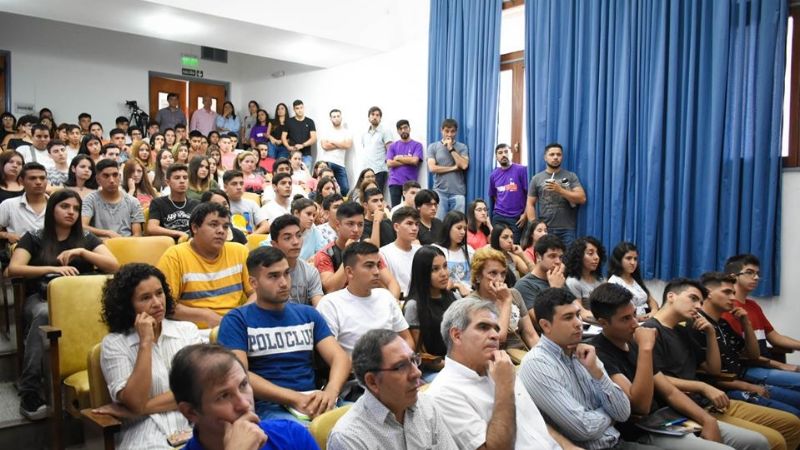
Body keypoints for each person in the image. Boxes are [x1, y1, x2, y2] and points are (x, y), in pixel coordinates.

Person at [589, 283, 765, 450]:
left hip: (668, 417)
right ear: (603, 323)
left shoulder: (632, 341)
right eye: (625, 319)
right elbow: (641, 406)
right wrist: (645, 350)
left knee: (758, 442)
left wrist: (707, 420)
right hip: (643, 429)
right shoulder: (600, 353)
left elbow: (669, 391)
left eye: (634, 314)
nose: (635, 323)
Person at [643, 278, 800, 450]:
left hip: (707, 401)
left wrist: (710, 333)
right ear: (671, 296)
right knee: (772, 440)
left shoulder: (683, 330)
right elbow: (656, 378)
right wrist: (703, 387)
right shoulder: (650, 330)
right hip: (683, 407)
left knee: (792, 423)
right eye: (693, 298)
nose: (698, 306)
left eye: (700, 302)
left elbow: (713, 369)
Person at [10, 189, 118, 420]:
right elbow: (14, 269)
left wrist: (83, 252)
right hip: (42, 298)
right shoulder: (34, 237)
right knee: (45, 314)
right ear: (52, 209)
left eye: (76, 209)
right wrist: (53, 269)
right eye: (65, 207)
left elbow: (114, 265)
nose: (71, 212)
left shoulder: (86, 238)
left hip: (81, 301)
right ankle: (29, 389)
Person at [218, 246, 350, 422]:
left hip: (314, 400)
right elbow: (239, 375)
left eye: (286, 273)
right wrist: (294, 398)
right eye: (273, 276)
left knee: (364, 423)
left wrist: (331, 391)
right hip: (269, 407)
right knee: (302, 433)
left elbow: (340, 358)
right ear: (253, 283)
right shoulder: (237, 320)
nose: (284, 282)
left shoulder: (308, 314)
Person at [426, 297, 565, 449]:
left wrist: (571, 447)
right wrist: (504, 387)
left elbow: (535, 424)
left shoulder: (500, 367)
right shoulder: (444, 393)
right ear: (457, 335)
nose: (495, 335)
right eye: (483, 327)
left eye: (496, 329)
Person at [518, 288, 648, 449]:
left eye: (578, 315)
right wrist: (610, 414)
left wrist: (596, 372)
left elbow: (623, 412)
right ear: (546, 325)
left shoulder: (585, 352)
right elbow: (584, 428)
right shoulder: (538, 364)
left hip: (617, 442)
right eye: (568, 317)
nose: (579, 323)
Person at [93, 263, 199, 449]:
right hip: (145, 433)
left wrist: (138, 410)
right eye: (145, 298)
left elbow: (200, 390)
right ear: (128, 306)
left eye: (159, 293)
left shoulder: (187, 331)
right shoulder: (115, 344)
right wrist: (145, 342)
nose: (157, 303)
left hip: (193, 424)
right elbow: (135, 401)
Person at [170, 344, 319, 450]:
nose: (244, 404)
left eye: (243, 385)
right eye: (224, 396)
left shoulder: (291, 434)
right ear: (191, 412)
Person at [328, 329, 458, 449]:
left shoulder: (426, 405)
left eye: (413, 360)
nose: (417, 373)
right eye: (401, 366)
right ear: (372, 382)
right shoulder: (349, 438)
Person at [697, 272, 800, 416]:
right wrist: (747, 386)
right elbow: (704, 375)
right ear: (708, 293)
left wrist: (746, 323)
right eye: (727, 292)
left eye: (733, 293)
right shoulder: (697, 325)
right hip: (725, 388)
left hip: (742, 377)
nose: (733, 298)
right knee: (794, 414)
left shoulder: (723, 323)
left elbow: (753, 355)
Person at [157, 202, 253, 329]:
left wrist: (237, 316)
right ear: (195, 228)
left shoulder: (240, 252)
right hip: (192, 330)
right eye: (213, 225)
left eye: (225, 226)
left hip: (236, 326)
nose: (221, 231)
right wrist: (204, 315)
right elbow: (165, 305)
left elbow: (256, 294)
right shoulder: (174, 257)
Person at [317, 241, 412, 354]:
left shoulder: (386, 296)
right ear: (350, 272)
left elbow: (407, 339)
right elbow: (334, 356)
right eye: (369, 266)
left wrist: (399, 359)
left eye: (378, 265)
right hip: (355, 365)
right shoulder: (330, 304)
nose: (377, 272)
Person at [723, 254, 800, 361]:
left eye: (757, 273)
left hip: (765, 362)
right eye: (749, 272)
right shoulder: (728, 307)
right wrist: (781, 366)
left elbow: (774, 337)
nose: (756, 277)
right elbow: (739, 352)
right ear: (733, 276)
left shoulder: (753, 305)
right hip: (750, 365)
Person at [468, 247, 539, 351]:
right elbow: (499, 339)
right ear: (478, 277)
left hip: (522, 354)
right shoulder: (472, 303)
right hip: (496, 356)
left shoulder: (514, 294)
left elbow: (530, 334)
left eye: (502, 274)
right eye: (493, 273)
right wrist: (506, 302)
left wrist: (542, 356)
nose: (499, 279)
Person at [403, 246, 455, 380]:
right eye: (435, 269)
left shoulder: (453, 297)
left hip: (456, 363)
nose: (444, 273)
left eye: (445, 266)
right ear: (422, 272)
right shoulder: (413, 306)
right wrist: (452, 367)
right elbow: (419, 354)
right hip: (431, 370)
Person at [525, 143, 586, 246]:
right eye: (552, 154)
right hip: (545, 229)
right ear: (545, 157)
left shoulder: (570, 176)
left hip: (566, 229)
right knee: (546, 255)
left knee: (568, 255)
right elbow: (530, 203)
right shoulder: (536, 178)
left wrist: (560, 190)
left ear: (562, 157)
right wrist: (534, 226)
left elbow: (582, 198)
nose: (555, 157)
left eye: (558, 154)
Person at [266, 215, 324, 306]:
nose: (296, 242)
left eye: (299, 235)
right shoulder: (265, 273)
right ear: (274, 244)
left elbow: (319, 305)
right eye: (287, 238)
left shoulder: (310, 271)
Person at [82, 159, 145, 238]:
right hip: (100, 244)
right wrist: (107, 233)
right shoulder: (90, 199)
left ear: (120, 177)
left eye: (115, 175)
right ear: (98, 179)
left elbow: (137, 235)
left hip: (126, 243)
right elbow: (82, 227)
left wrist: (121, 242)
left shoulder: (133, 202)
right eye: (106, 176)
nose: (111, 180)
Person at [514, 234, 567, 322]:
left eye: (560, 257)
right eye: (552, 256)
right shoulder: (525, 285)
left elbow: (575, 311)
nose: (558, 261)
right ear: (538, 256)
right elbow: (542, 321)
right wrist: (555, 290)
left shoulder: (559, 278)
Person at [427, 118, 469, 220]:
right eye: (447, 131)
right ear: (441, 130)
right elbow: (432, 168)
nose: (449, 134)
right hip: (439, 192)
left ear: (456, 132)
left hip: (458, 192)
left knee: (458, 223)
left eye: (452, 131)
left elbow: (464, 165)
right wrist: (454, 168)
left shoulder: (462, 147)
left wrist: (450, 148)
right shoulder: (433, 147)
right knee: (439, 223)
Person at [147, 164, 199, 241]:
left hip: (191, 244)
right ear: (168, 182)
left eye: (185, 178)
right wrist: (179, 233)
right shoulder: (158, 203)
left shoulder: (196, 204)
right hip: (168, 244)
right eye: (177, 178)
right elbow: (152, 228)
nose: (182, 181)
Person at [0, 162, 49, 244]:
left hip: (52, 249)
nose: (38, 182)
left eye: (42, 178)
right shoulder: (9, 205)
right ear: (21, 181)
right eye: (32, 178)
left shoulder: (57, 204)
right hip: (19, 248)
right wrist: (7, 235)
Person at [489, 143, 528, 243]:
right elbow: (494, 195)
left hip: (516, 218)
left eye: (506, 152)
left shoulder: (521, 170)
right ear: (496, 157)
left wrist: (525, 214)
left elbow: (529, 194)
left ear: (511, 154)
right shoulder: (493, 175)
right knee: (497, 246)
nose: (503, 155)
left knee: (513, 246)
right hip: (498, 216)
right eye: (500, 153)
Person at [608, 242, 659, 319]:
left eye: (635, 259)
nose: (633, 262)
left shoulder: (635, 278)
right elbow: (620, 313)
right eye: (628, 258)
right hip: (632, 321)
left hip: (648, 317)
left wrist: (654, 311)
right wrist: (643, 317)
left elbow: (650, 299)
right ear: (618, 260)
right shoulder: (614, 282)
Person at [378, 207, 420, 298]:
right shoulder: (383, 253)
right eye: (409, 223)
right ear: (396, 227)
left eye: (417, 224)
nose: (414, 228)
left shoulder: (420, 250)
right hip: (398, 299)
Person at [565, 236, 606, 322]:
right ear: (578, 256)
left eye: (597, 253)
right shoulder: (573, 282)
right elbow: (580, 314)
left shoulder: (600, 280)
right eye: (590, 253)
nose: (596, 257)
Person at [434, 211, 474, 296]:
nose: (463, 232)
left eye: (465, 229)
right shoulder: (436, 250)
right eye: (459, 228)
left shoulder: (469, 250)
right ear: (448, 227)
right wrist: (457, 285)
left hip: (468, 297)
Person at [384, 119, 422, 207]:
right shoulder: (393, 146)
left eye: (405, 128)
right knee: (396, 209)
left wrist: (399, 158)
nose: (403, 130)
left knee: (410, 209)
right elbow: (389, 163)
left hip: (411, 183)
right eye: (400, 129)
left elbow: (415, 161)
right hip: (395, 182)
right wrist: (408, 160)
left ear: (409, 129)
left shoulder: (417, 145)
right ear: (398, 131)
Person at [317, 109, 352, 194]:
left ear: (341, 117)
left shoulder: (346, 132)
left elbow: (347, 145)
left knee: (345, 188)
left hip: (340, 163)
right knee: (327, 185)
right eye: (334, 117)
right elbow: (325, 146)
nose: (336, 118)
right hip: (328, 162)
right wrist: (341, 144)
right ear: (331, 118)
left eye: (338, 116)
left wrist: (332, 141)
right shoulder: (326, 131)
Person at [360, 106, 394, 193]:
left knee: (377, 194)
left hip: (379, 170)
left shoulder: (385, 131)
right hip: (366, 170)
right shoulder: (364, 133)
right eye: (373, 114)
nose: (375, 117)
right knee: (366, 195)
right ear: (368, 117)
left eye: (377, 115)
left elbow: (390, 151)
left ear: (380, 118)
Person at [224, 170, 268, 234]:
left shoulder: (251, 204)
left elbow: (266, 226)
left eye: (241, 183)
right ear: (225, 187)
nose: (239, 187)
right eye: (234, 184)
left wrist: (251, 237)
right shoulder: (221, 204)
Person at [281, 100, 316, 168]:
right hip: (293, 155)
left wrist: (302, 145)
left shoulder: (310, 121)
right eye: (297, 108)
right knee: (292, 173)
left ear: (303, 108)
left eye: (301, 108)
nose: (300, 110)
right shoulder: (289, 121)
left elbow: (314, 138)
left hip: (306, 155)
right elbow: (283, 137)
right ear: (294, 109)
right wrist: (288, 147)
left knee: (306, 174)